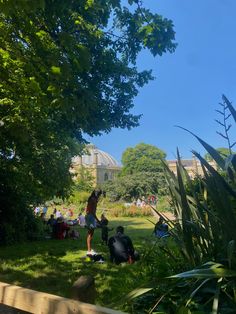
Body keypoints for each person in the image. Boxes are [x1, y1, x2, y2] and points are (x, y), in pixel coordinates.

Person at [85, 189, 103, 255]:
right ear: (96, 194)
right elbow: (92, 212)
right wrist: (98, 221)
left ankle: (89, 249)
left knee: (91, 233)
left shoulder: (92, 199)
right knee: (90, 234)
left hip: (90, 216)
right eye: (99, 195)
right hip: (90, 217)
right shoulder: (93, 200)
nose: (99, 196)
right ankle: (89, 251)